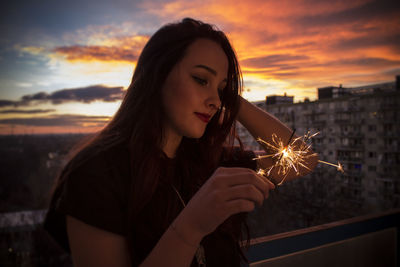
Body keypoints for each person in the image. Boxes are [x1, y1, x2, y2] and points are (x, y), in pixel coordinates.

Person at [44, 18, 318, 267]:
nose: (215, 101)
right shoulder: (97, 174)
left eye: (221, 89)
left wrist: (232, 99)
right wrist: (190, 227)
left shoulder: (213, 164)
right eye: (201, 80)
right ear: (158, 76)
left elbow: (302, 159)